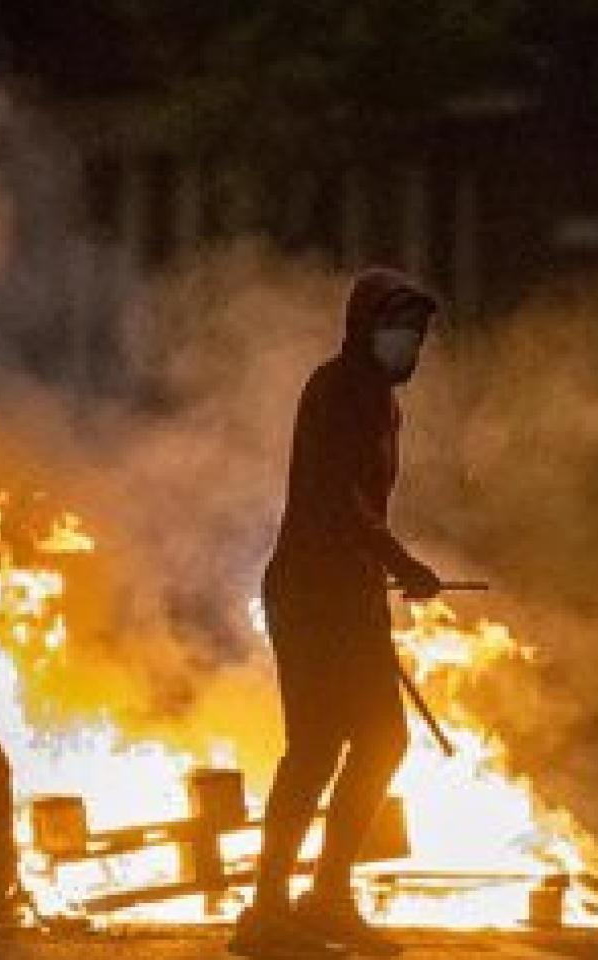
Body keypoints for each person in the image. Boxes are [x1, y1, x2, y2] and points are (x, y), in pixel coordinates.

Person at [231, 267, 443, 959]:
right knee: (318, 747)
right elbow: (340, 498)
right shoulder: (336, 390)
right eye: (397, 330)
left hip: (348, 595)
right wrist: (400, 562)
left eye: (414, 334)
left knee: (382, 740)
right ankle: (266, 912)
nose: (407, 345)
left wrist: (382, 569)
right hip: (310, 594)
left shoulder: (381, 399)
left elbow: (363, 507)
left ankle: (326, 896)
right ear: (363, 328)